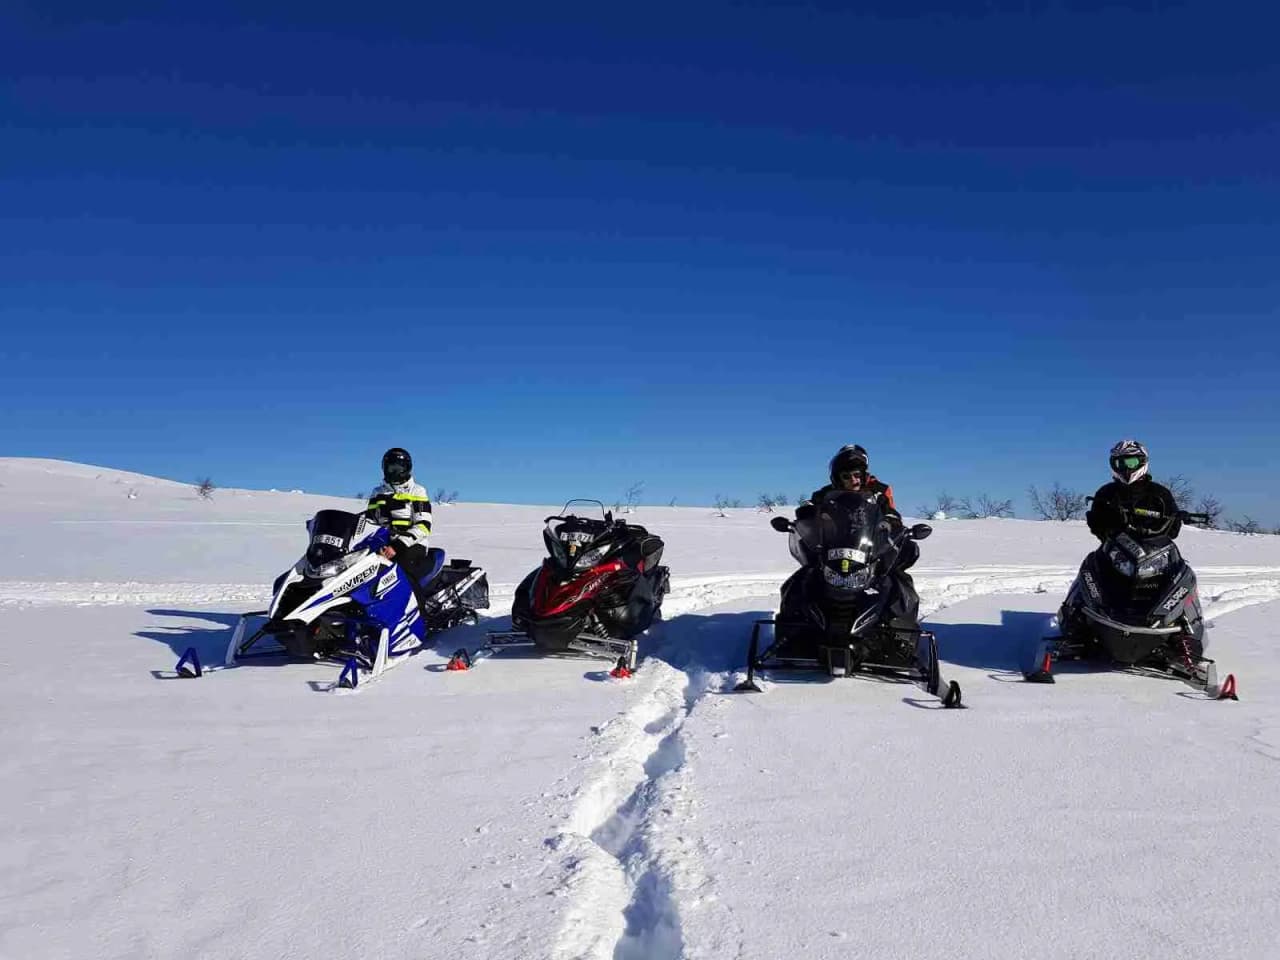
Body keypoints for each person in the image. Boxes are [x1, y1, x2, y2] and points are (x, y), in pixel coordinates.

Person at [787, 444, 921, 635]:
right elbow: (810, 505)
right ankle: (790, 629)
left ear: (864, 474)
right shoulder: (825, 494)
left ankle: (902, 634)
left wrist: (891, 522)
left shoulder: (878, 491)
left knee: (898, 580)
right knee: (801, 580)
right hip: (832, 549)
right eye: (846, 476)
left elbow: (891, 513)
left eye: (857, 475)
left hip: (869, 548)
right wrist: (805, 513)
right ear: (837, 477)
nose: (853, 480)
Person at [366, 448, 435, 611]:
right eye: (391, 468)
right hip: (382, 543)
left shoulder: (417, 491)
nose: (395, 472)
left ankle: (419, 613)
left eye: (399, 468)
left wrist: (397, 546)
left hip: (410, 544)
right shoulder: (378, 493)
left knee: (402, 572)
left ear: (407, 468)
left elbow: (423, 526)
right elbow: (369, 520)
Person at [1085, 440, 1182, 542]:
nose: (1126, 468)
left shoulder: (1160, 493)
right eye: (1120, 464)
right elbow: (1097, 528)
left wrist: (1176, 519)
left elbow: (1173, 531)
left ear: (1142, 461)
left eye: (1131, 463)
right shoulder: (1106, 492)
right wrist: (1106, 522)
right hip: (1116, 546)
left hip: (1154, 547)